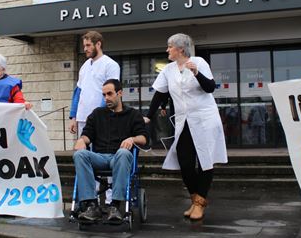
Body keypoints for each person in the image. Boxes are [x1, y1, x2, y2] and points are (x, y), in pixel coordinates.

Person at [144, 33, 227, 220]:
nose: (167, 50)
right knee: (185, 162)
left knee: (205, 160)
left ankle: (199, 203)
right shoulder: (168, 70)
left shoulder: (199, 62)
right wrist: (148, 116)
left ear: (180, 49)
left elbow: (210, 88)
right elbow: (160, 95)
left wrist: (197, 73)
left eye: (170, 46)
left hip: (205, 120)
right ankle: (195, 199)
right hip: (184, 122)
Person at [73, 79, 148, 222]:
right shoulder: (97, 114)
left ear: (120, 93)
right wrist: (82, 140)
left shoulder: (133, 114)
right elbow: (87, 134)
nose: (106, 98)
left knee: (124, 153)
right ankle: (92, 206)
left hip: (119, 158)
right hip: (99, 157)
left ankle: (115, 206)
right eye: (104, 95)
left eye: (109, 94)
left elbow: (143, 138)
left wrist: (132, 139)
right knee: (80, 154)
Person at [69, 31, 120, 204]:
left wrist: (100, 114)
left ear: (98, 44)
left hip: (102, 119)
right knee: (84, 157)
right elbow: (78, 92)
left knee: (106, 155)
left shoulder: (110, 65)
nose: (85, 49)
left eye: (88, 45)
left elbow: (110, 93)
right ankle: (91, 197)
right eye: (84, 46)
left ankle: (110, 199)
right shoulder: (84, 66)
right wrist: (72, 115)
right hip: (83, 118)